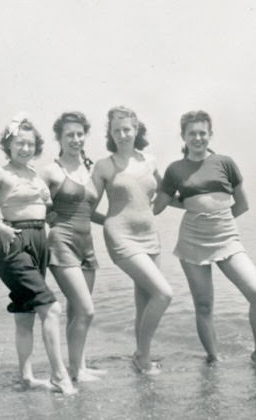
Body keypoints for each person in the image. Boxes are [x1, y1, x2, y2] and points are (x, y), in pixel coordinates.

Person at [0, 113, 77, 395]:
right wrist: (0, 229)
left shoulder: (36, 175)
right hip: (13, 243)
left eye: (29, 144)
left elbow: (47, 209)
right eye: (19, 144)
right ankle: (60, 376)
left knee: (25, 314)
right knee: (52, 308)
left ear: (36, 146)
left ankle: (27, 377)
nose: (25, 149)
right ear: (9, 145)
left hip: (39, 241)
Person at [153, 110, 256, 364]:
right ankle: (213, 359)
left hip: (227, 237)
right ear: (183, 136)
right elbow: (158, 206)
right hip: (192, 240)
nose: (197, 138)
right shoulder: (175, 169)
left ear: (210, 134)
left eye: (202, 133)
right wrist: (148, 179)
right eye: (191, 133)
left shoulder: (225, 162)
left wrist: (217, 220)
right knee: (204, 305)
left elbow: (242, 205)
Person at [92, 106, 173, 375]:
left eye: (127, 129)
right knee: (164, 294)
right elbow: (87, 205)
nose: (122, 134)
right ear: (111, 133)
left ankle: (140, 357)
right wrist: (111, 222)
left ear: (136, 130)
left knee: (146, 298)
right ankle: (143, 355)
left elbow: (166, 191)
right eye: (117, 130)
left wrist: (157, 210)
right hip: (121, 237)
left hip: (150, 236)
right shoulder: (104, 166)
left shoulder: (149, 161)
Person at [40, 111, 107, 382]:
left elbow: (89, 212)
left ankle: (76, 367)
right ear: (59, 137)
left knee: (76, 311)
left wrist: (114, 222)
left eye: (80, 134)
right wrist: (51, 219)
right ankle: (75, 371)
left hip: (86, 244)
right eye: (70, 135)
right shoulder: (50, 171)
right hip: (61, 244)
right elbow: (35, 205)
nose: (76, 139)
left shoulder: (90, 169)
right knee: (87, 310)